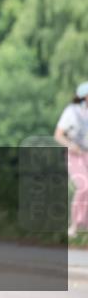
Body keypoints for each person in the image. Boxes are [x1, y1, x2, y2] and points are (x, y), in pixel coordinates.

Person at [55, 81, 88, 238]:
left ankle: (83, 225)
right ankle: (75, 225)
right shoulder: (71, 112)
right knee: (84, 186)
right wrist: (70, 145)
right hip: (75, 155)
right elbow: (58, 135)